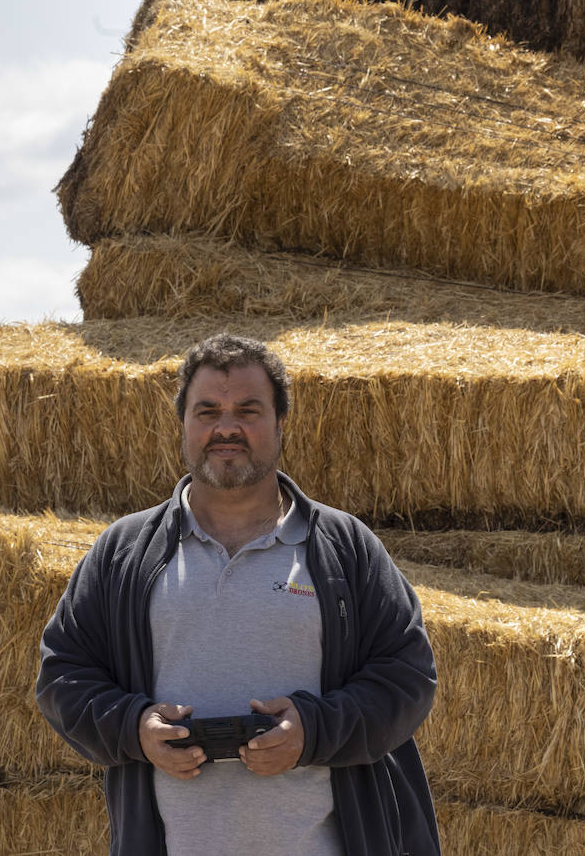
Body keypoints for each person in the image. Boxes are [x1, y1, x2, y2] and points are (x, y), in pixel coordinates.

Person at [36, 333, 439, 855]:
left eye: (248, 410)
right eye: (208, 411)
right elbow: (62, 674)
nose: (227, 427)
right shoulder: (124, 551)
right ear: (183, 424)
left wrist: (313, 730)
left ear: (281, 424)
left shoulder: (344, 548)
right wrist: (134, 728)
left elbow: (408, 677)